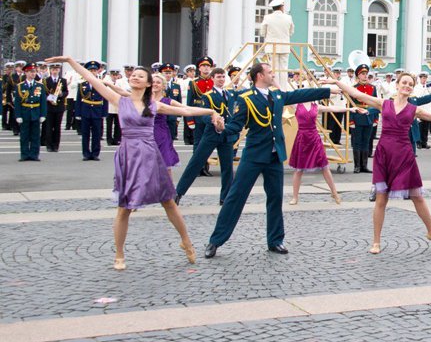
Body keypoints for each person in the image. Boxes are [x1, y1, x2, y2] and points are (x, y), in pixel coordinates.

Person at [46, 56, 223, 270]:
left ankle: (185, 240)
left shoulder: (154, 105)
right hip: (128, 156)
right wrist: (69, 60)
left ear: (148, 83)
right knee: (124, 207)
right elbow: (91, 79)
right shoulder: (121, 100)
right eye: (134, 75)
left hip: (150, 155)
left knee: (168, 202)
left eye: (141, 76)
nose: (136, 77)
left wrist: (212, 111)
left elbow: (185, 110)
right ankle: (119, 254)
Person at [204, 63, 333, 258]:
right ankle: (216, 240)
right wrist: (221, 128)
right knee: (235, 196)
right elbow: (235, 126)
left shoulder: (277, 95)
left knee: (275, 198)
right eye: (270, 72)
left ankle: (275, 240)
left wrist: (329, 89)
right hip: (254, 155)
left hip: (274, 156)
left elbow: (302, 95)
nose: (273, 74)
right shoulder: (245, 98)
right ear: (260, 76)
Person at [335, 71, 431, 254]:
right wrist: (336, 81)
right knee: (381, 198)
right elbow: (357, 95)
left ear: (412, 89)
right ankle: (376, 242)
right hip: (384, 154)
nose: (407, 86)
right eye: (404, 82)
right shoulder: (384, 103)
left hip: (404, 154)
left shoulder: (414, 109)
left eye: (410, 84)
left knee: (417, 196)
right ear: (397, 85)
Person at [175, 67, 237, 205]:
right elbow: (204, 115)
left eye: (223, 77)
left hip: (226, 135)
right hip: (211, 134)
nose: (221, 79)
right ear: (213, 79)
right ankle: (178, 192)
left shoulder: (231, 94)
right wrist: (214, 121)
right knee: (196, 162)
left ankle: (225, 197)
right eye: (218, 77)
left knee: (227, 168)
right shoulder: (208, 95)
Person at [287, 87, 358, 206]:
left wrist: (349, 108)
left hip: (314, 138)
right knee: (298, 169)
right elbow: (284, 94)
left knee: (324, 166)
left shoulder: (317, 106)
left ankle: (334, 192)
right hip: (302, 138)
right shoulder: (296, 105)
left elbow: (333, 108)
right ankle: (295, 197)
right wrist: (274, 83)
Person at [13, 62, 45, 161]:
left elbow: (43, 101)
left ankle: (34, 154)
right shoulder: (20, 86)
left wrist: (43, 114)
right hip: (25, 112)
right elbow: (17, 103)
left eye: (34, 71)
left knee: (35, 135)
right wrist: (18, 115)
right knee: (24, 135)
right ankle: (24, 154)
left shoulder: (40, 85)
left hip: (35, 112)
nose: (33, 73)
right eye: (30, 72)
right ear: (26, 73)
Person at [260, 0, 294, 90]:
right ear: (282, 6)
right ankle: (283, 89)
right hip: (284, 46)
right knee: (283, 69)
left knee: (273, 69)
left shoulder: (268, 17)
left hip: (271, 47)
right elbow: (291, 32)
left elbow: (262, 32)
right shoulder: (288, 17)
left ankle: (275, 88)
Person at [42, 62, 67, 152]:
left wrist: (61, 94)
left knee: (57, 127)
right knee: (48, 127)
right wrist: (47, 98)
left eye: (56, 69)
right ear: (50, 70)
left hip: (59, 106)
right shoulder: (46, 80)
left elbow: (66, 91)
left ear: (59, 70)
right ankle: (49, 145)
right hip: (49, 106)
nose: (55, 71)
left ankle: (56, 145)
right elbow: (43, 93)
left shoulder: (63, 80)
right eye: (53, 69)